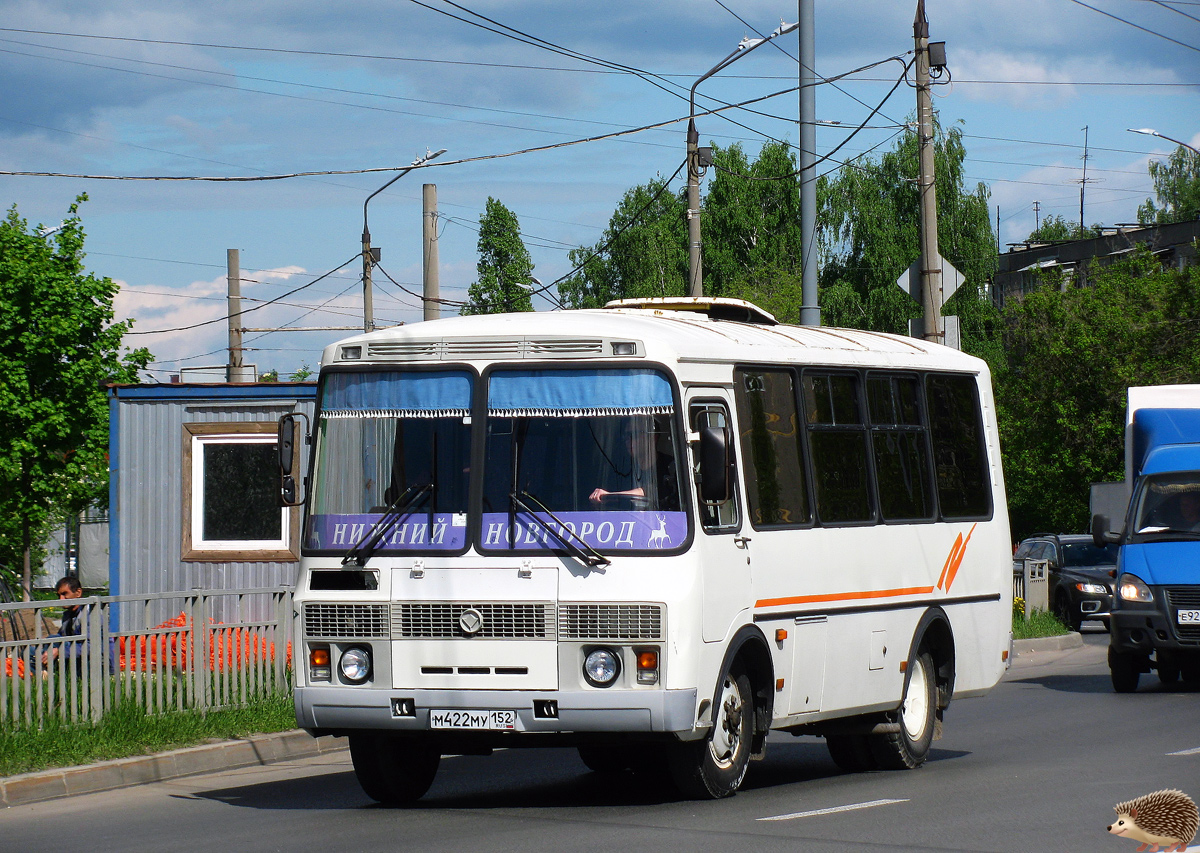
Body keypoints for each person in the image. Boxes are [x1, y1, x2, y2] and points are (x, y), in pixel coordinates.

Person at [589, 419, 680, 511]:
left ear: (653, 437)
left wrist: (608, 496)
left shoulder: (671, 467)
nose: (628, 439)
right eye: (626, 435)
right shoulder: (621, 471)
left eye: (634, 434)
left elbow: (652, 490)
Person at [40, 576, 85, 669]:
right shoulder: (67, 615)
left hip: (90, 661)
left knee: (53, 641)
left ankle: (46, 674)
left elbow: (90, 646)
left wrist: (60, 651)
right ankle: (46, 673)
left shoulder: (90, 613)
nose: (61, 599)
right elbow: (61, 636)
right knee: (29, 652)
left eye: (65, 594)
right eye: (59, 595)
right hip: (72, 655)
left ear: (78, 593)